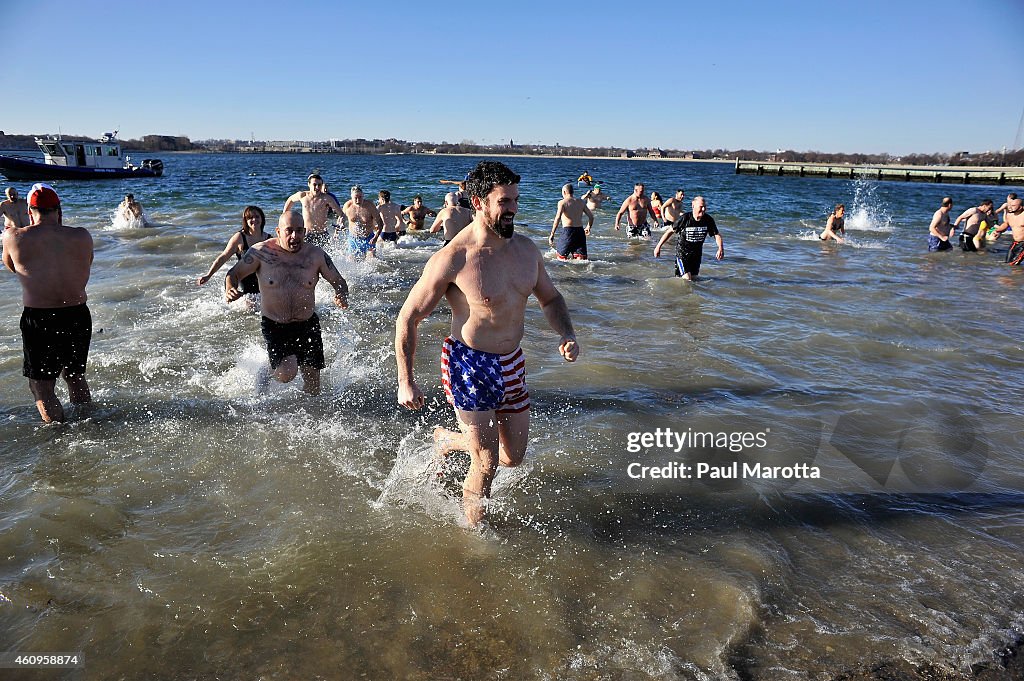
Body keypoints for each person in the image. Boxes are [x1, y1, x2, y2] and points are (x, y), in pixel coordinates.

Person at [395, 160, 579, 527]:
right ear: (478, 202)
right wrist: (405, 380)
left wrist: (567, 333)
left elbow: (551, 299)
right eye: (503, 201)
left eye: (514, 199)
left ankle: (447, 440)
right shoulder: (453, 258)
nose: (512, 208)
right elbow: (408, 317)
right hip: (468, 364)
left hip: (512, 361)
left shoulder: (526, 251)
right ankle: (475, 540)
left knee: (513, 457)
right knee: (487, 463)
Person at [225, 211, 350, 395]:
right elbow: (234, 274)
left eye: (299, 231)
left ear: (305, 231)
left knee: (313, 384)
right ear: (278, 231)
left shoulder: (315, 255)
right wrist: (230, 288)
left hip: (307, 324)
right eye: (289, 231)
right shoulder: (261, 252)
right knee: (287, 373)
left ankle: (309, 418)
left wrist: (341, 294)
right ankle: (267, 369)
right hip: (276, 325)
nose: (294, 236)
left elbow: (339, 281)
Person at [2, 183, 94, 423]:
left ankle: (61, 445)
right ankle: (89, 424)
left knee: (41, 387)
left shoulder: (13, 236)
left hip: (41, 318)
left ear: (30, 211)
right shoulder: (82, 235)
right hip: (78, 314)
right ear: (59, 210)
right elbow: (84, 265)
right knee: (74, 376)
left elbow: (13, 267)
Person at [197, 206, 271, 306]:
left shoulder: (269, 239)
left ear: (262, 218)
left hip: (262, 280)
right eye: (250, 217)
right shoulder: (240, 237)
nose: (254, 220)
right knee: (247, 308)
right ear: (245, 221)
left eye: (257, 216)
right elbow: (223, 257)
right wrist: (208, 275)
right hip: (244, 279)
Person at [653, 195, 724, 280]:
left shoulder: (708, 220)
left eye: (705, 207)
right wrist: (658, 246)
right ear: (693, 205)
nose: (703, 209)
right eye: (701, 207)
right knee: (687, 278)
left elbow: (716, 234)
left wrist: (720, 248)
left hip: (696, 255)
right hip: (682, 254)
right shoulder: (685, 219)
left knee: (694, 279)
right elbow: (669, 232)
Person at [283, 173, 345, 248]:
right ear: (309, 184)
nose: (317, 187)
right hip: (306, 234)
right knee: (304, 258)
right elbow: (290, 200)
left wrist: (341, 223)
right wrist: (284, 215)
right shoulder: (303, 196)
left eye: (319, 185)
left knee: (324, 258)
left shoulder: (327, 198)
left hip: (322, 234)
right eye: (314, 184)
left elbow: (341, 214)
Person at [548, 183, 595, 260]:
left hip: (568, 231)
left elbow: (557, 218)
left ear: (564, 192)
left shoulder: (562, 202)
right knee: (581, 259)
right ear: (572, 192)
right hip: (580, 232)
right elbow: (591, 216)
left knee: (561, 258)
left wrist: (552, 234)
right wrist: (588, 227)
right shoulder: (581, 202)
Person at [340, 185, 383, 259]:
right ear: (351, 197)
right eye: (355, 198)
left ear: (363, 196)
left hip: (369, 238)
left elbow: (380, 223)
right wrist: (341, 224)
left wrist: (376, 237)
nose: (358, 200)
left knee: (372, 259)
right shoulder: (347, 206)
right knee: (352, 260)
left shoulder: (370, 206)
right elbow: (341, 219)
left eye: (360, 197)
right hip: (353, 239)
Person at [992, 197, 1024, 265]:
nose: (1010, 207)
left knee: (1014, 263)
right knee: (1007, 262)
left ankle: (1016, 274)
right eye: (1010, 205)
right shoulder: (1009, 215)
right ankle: (1013, 275)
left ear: (1021, 207)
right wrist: (998, 230)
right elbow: (1006, 224)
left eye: (1013, 206)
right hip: (1015, 243)